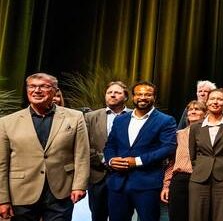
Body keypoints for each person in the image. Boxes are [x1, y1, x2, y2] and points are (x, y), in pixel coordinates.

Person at [0, 73, 90, 220]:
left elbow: (82, 155)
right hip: (21, 192)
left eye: (44, 86)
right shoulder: (7, 122)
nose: (37, 90)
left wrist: (79, 185)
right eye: (32, 86)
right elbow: (1, 163)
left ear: (55, 91)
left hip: (61, 191)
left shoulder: (75, 117)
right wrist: (2, 199)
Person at [105, 80, 177, 221]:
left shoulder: (166, 120)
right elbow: (110, 145)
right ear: (132, 97)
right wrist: (111, 160)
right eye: (139, 94)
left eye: (147, 94)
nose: (142, 97)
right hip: (118, 183)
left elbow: (168, 147)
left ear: (154, 97)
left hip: (147, 184)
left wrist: (137, 161)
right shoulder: (120, 120)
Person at [189, 89, 223, 221]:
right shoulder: (196, 127)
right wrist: (201, 167)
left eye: (219, 99)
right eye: (212, 99)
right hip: (200, 179)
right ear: (206, 102)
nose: (215, 102)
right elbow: (193, 154)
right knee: (197, 216)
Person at [85, 81, 131, 221]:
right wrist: (106, 160)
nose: (112, 95)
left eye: (117, 92)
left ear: (126, 97)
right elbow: (83, 146)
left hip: (126, 175)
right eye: (109, 92)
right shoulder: (91, 117)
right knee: (98, 216)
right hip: (98, 175)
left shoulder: (135, 116)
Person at [161, 100, 206, 221]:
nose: (193, 111)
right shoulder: (178, 135)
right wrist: (166, 185)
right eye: (190, 109)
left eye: (197, 109)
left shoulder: (210, 134)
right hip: (180, 179)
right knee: (177, 215)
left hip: (201, 179)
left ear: (205, 114)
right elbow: (171, 162)